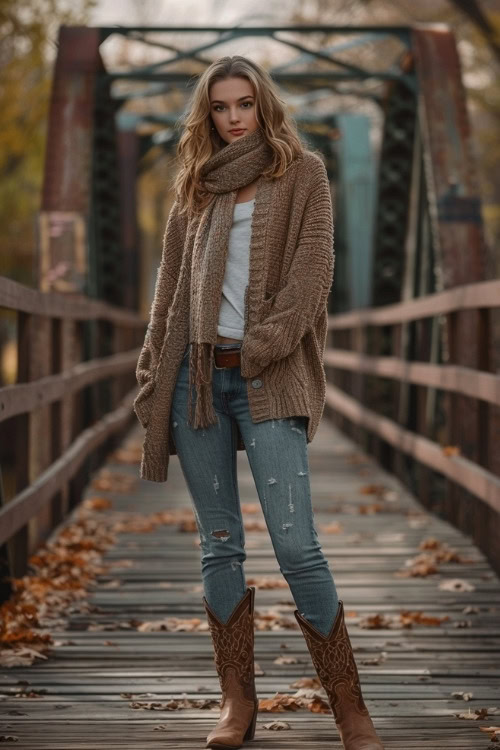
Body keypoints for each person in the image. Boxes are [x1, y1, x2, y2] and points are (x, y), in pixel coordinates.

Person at [134, 55, 384, 750]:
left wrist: (263, 346)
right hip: (196, 384)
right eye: (221, 106)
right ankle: (237, 705)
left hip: (267, 376)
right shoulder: (196, 187)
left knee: (298, 546)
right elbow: (168, 294)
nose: (234, 116)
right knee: (219, 548)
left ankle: (351, 710)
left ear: (263, 105)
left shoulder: (303, 173)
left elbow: (313, 275)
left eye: (244, 103)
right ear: (207, 115)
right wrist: (155, 369)